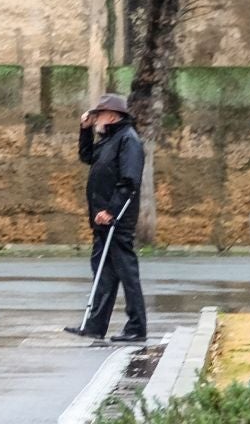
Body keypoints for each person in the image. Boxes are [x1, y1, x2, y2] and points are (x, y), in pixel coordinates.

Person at [65, 93, 147, 343]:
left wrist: (111, 210)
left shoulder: (128, 140)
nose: (96, 118)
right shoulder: (110, 139)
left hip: (116, 218)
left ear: (112, 116)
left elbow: (129, 180)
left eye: (99, 114)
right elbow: (87, 156)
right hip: (102, 218)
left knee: (126, 272)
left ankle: (137, 327)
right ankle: (94, 325)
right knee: (102, 272)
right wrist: (84, 130)